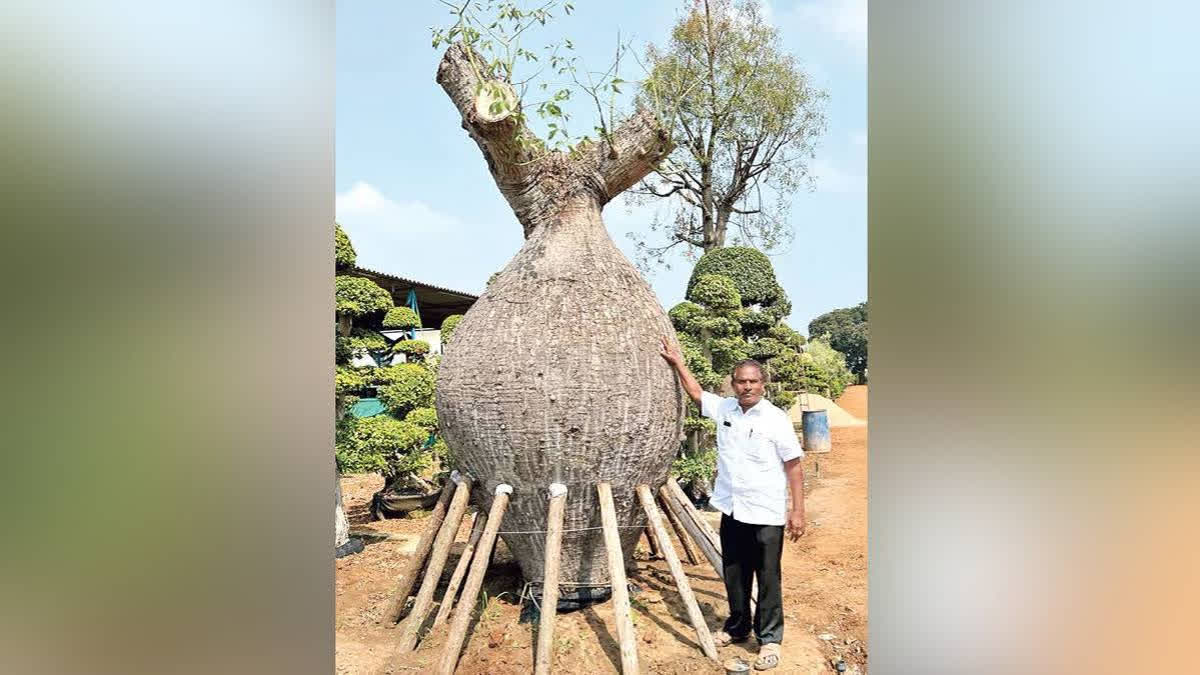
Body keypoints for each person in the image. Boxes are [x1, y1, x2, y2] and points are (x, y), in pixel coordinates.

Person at [659, 336, 806, 671]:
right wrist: (678, 362)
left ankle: (769, 639)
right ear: (733, 384)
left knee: (768, 576)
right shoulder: (725, 408)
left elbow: (794, 465)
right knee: (735, 574)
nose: (747, 387)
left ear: (763, 385)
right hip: (732, 508)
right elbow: (697, 394)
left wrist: (797, 511)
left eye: (753, 381)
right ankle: (737, 628)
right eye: (741, 381)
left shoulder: (775, 419)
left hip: (766, 511)